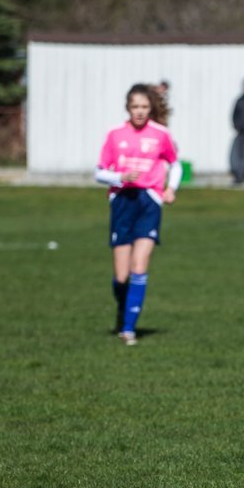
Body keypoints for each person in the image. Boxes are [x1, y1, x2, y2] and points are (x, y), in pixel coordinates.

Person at [93, 83, 181, 346]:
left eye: (144, 107)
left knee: (139, 266)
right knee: (121, 277)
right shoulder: (114, 134)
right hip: (122, 202)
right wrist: (119, 176)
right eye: (135, 107)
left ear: (151, 108)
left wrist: (170, 189)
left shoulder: (161, 134)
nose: (140, 112)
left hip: (148, 202)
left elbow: (174, 164)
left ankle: (129, 329)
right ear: (128, 108)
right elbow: (99, 172)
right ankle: (123, 311)